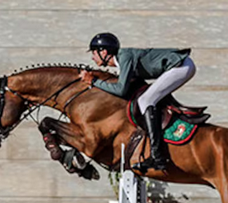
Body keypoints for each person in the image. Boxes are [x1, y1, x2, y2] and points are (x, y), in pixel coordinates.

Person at [80, 32, 196, 172]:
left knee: (146, 100)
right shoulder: (122, 60)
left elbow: (121, 90)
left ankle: (157, 157)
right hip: (180, 65)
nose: (92, 57)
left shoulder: (124, 57)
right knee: (146, 99)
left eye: (94, 53)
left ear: (103, 52)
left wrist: (93, 81)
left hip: (181, 66)